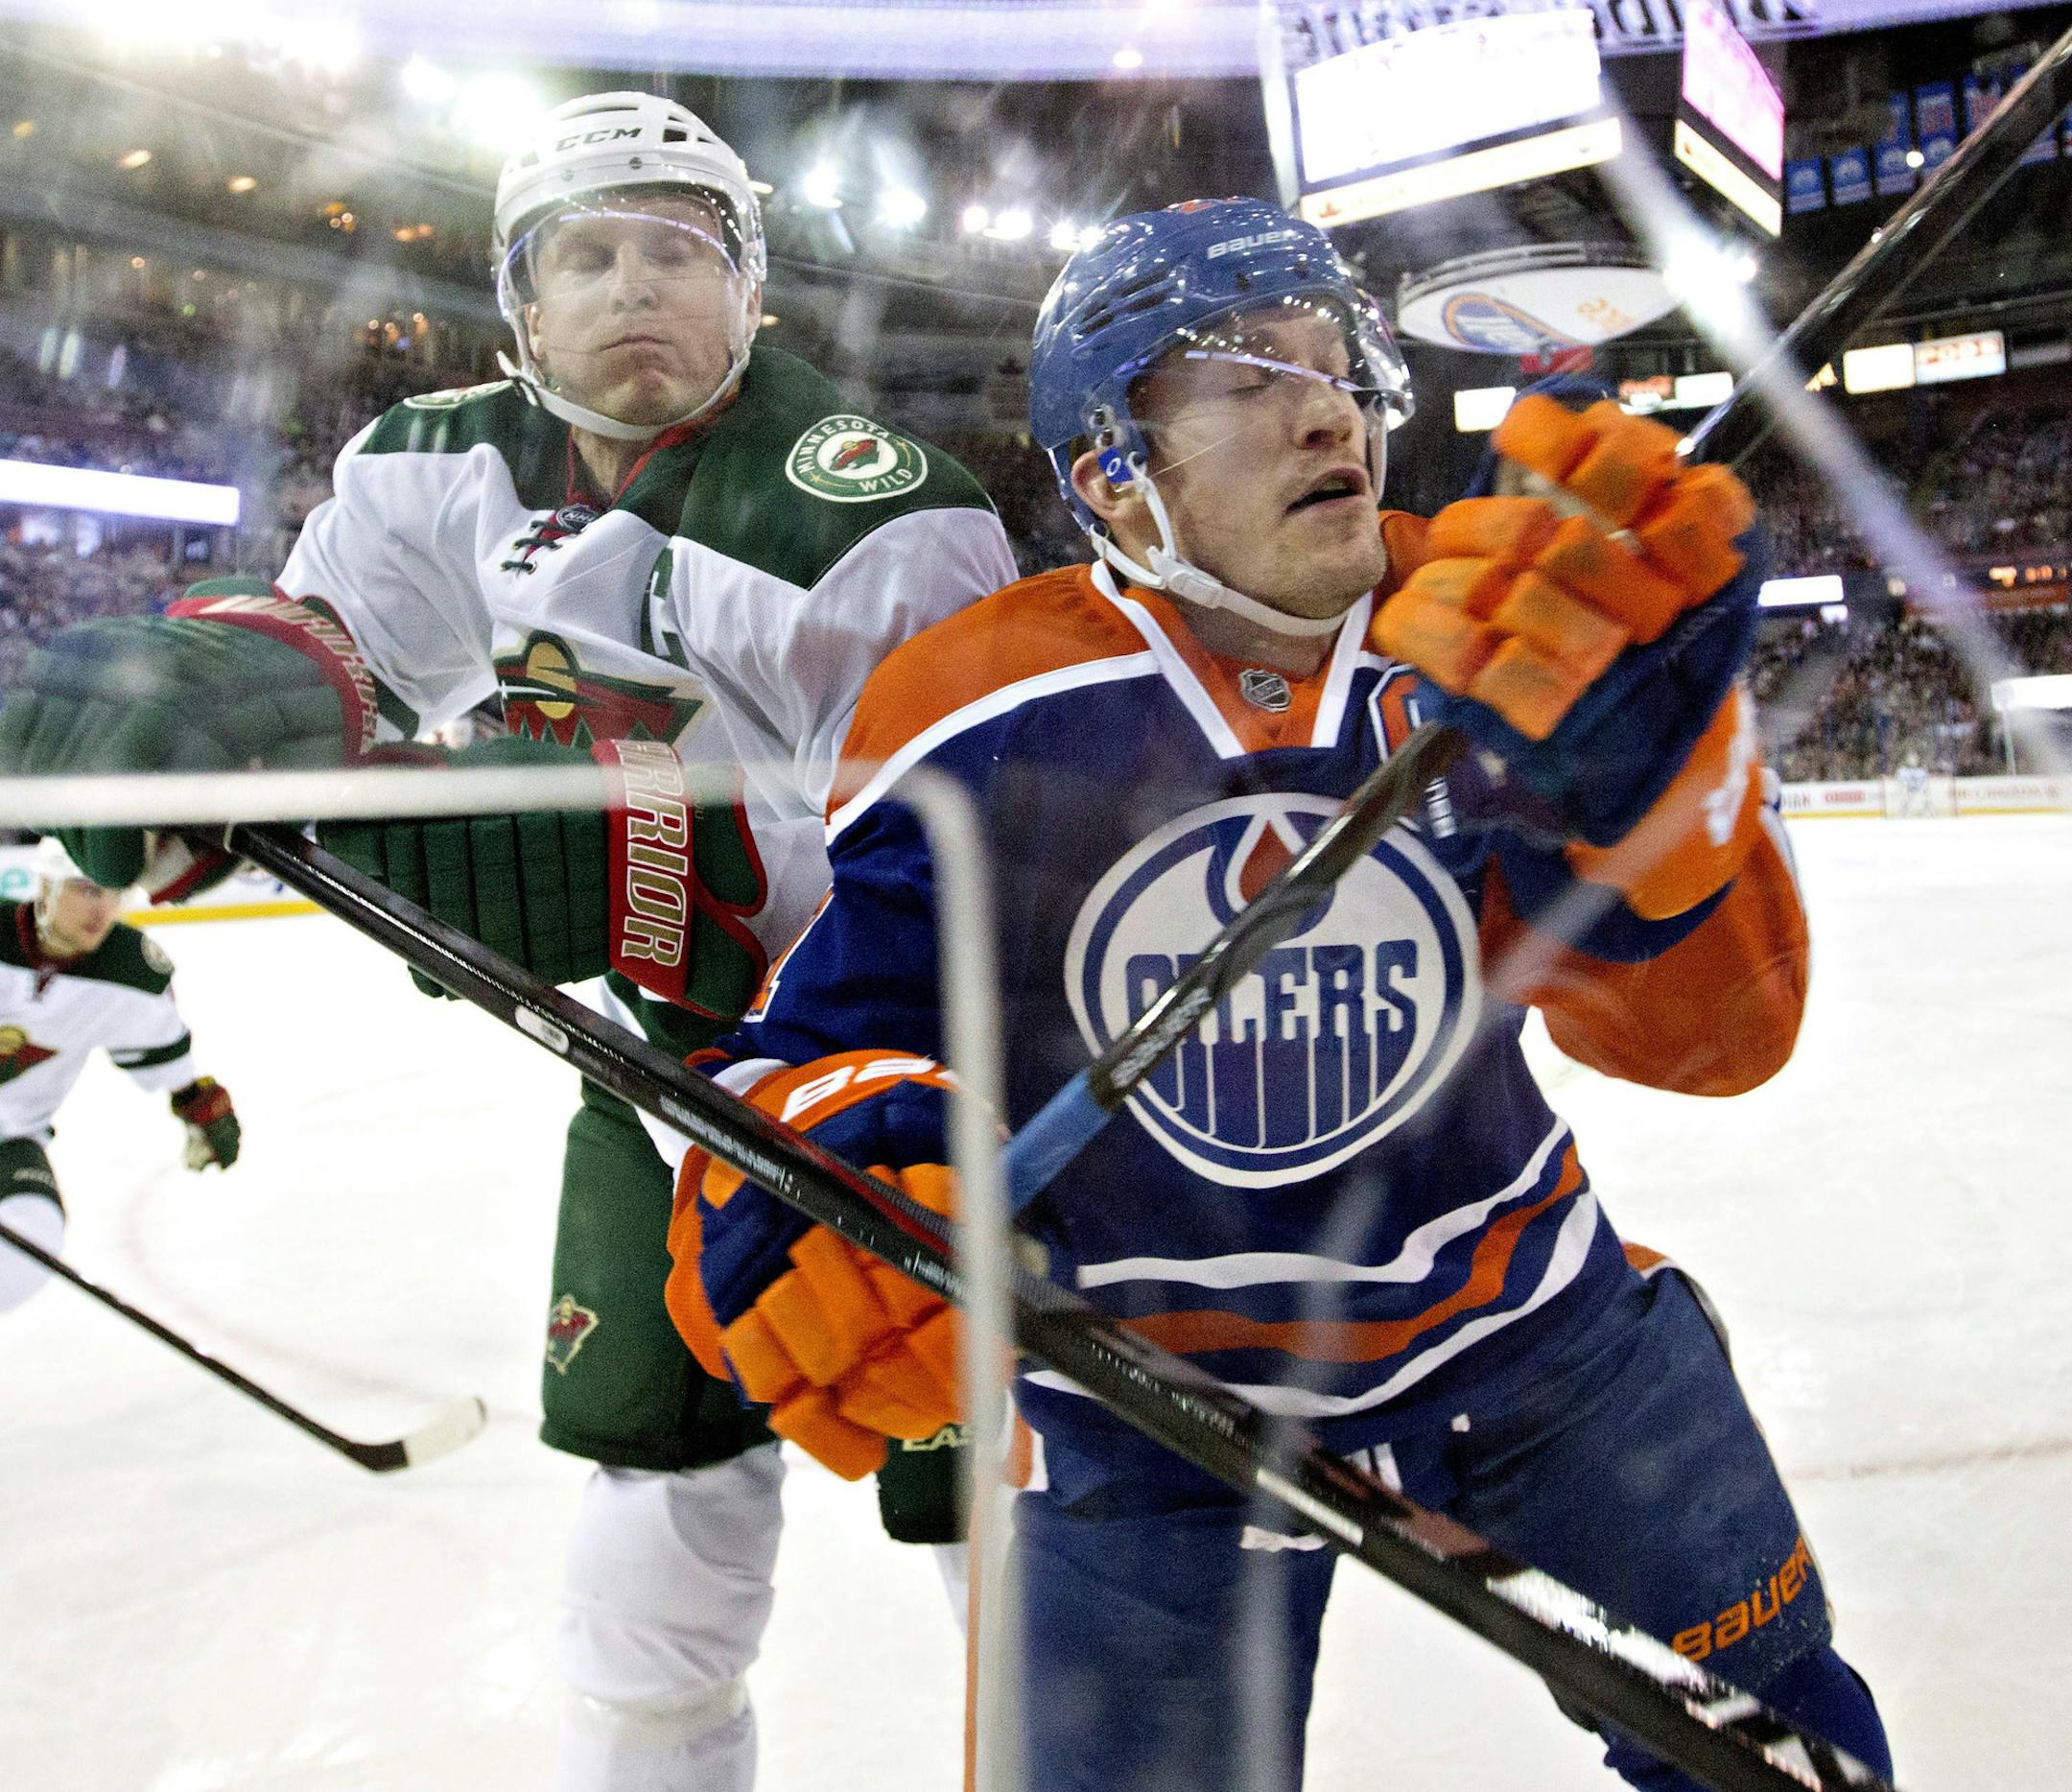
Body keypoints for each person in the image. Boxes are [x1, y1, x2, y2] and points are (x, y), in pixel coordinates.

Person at [661, 200, 1895, 1791]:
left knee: (1782, 1744)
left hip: (1531, 1327)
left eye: (1336, 366)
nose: (1328, 408)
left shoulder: (1512, 632)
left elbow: (1724, 1039)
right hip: (1151, 1398)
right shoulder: (979, 701)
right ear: (1112, 471)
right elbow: (825, 1055)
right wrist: (818, 1169)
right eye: (1245, 379)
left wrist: (1658, 807)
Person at [0, 92, 1017, 1792]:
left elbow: (961, 848)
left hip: (901, 1087)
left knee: (984, 1525)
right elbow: (351, 649)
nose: (637, 289)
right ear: (521, 306)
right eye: (589, 256)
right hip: (655, 1073)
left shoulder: (875, 510)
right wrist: (223, 693)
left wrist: (639, 852)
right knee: (647, 1521)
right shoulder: (430, 460)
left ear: (749, 295)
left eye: (680, 253)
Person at [0, 839, 240, 1312]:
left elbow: (162, 1052)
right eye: (88, 890)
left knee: (33, 1236)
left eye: (115, 893)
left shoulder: (128, 969)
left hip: (11, 1140)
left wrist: (197, 1103)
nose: (103, 909)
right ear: (45, 886)